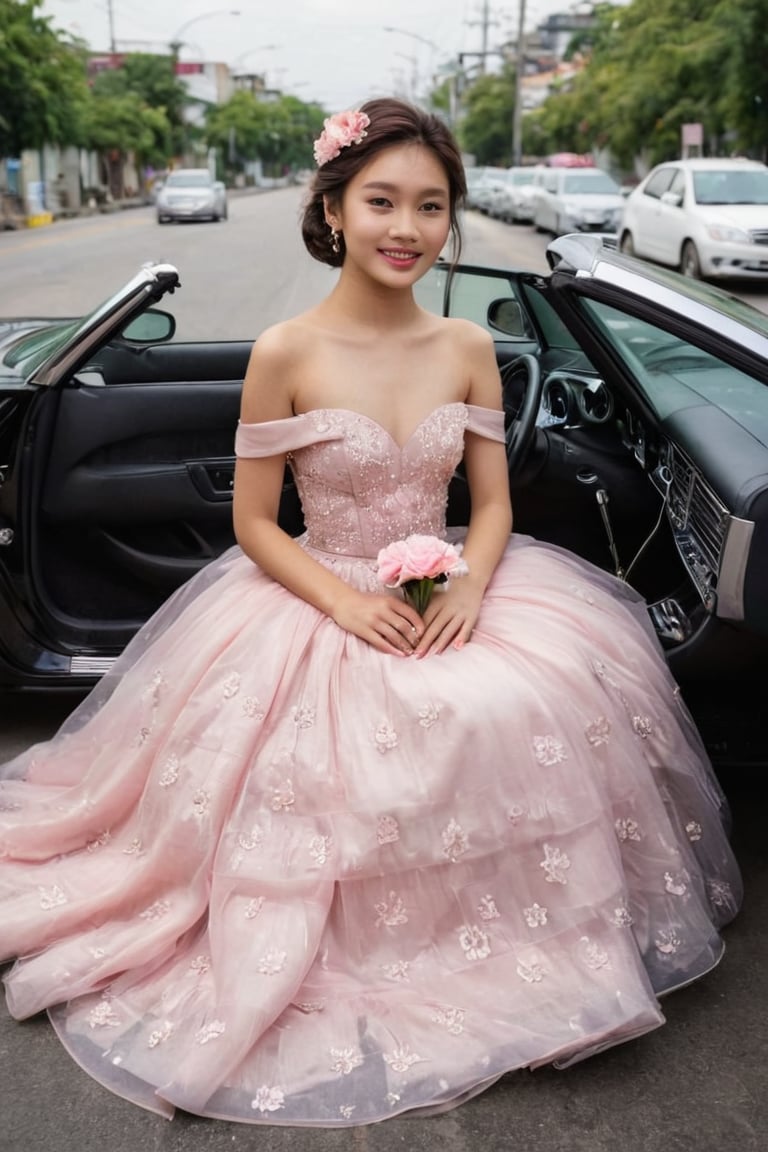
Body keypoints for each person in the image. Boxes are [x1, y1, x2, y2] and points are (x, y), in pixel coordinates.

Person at [0, 98, 741, 1127]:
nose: (406, 227)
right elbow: (258, 525)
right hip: (323, 590)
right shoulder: (286, 351)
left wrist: (474, 582)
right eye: (381, 201)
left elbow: (492, 508)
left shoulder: (469, 345)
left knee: (515, 708)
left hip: (451, 581)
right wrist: (346, 601)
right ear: (335, 211)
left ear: (451, 223)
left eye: (430, 207)